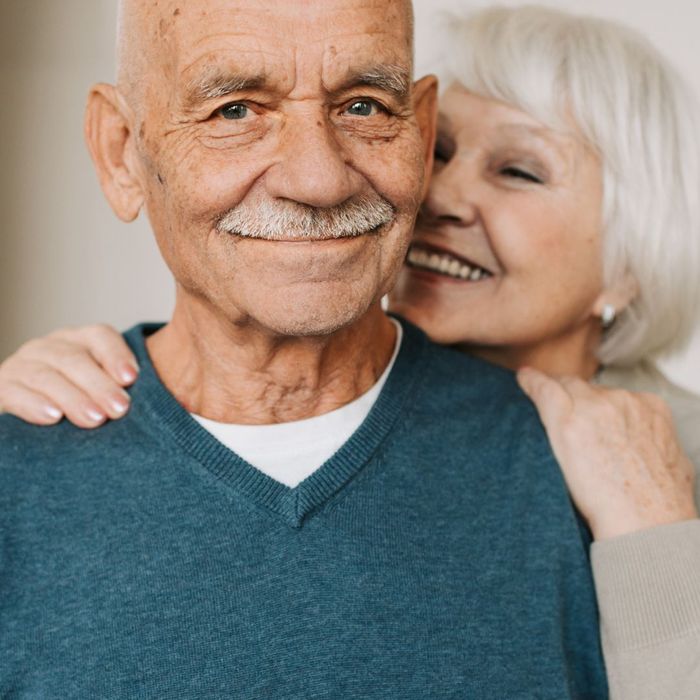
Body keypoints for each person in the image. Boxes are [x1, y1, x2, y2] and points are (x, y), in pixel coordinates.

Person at [4, 5, 699, 699]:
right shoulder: (39, 439)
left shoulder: (626, 486)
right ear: (123, 151)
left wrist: (657, 533)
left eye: (363, 105)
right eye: (235, 110)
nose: (320, 179)